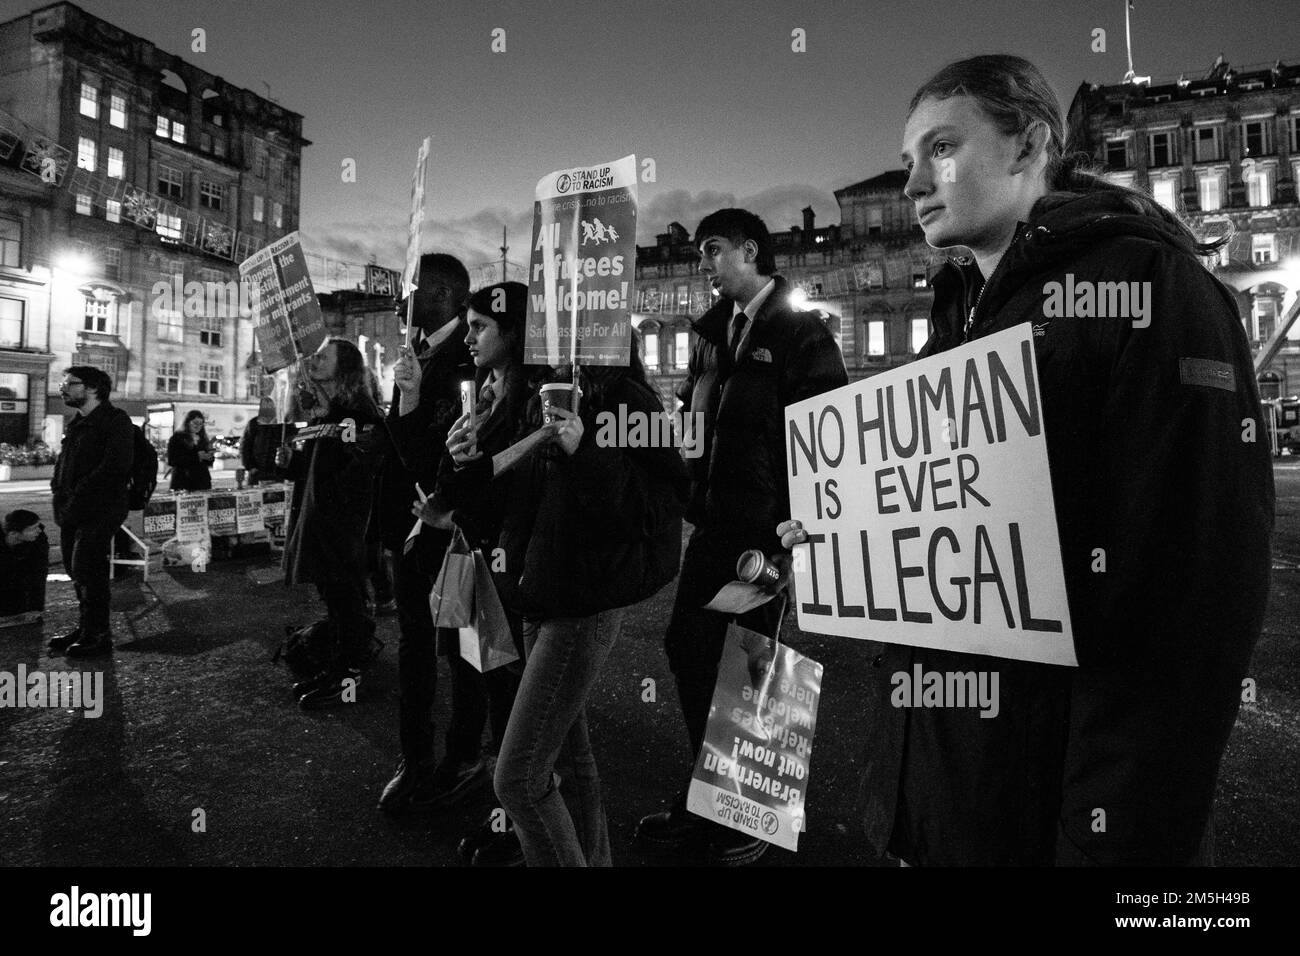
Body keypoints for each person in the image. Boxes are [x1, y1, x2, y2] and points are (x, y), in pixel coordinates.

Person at [781, 53, 1273, 866]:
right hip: (944, 801)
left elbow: (1193, 604)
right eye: (908, 161)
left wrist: (1108, 842)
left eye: (941, 149)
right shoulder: (959, 312)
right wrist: (850, 540)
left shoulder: (1153, 287)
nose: (910, 187)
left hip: (1053, 816)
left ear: (1027, 146)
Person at [635, 208, 848, 866]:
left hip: (764, 532)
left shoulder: (801, 332)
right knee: (689, 648)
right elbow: (694, 423)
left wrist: (800, 527)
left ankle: (749, 813)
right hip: (713, 520)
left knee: (756, 667)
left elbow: (829, 433)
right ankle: (715, 795)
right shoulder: (708, 336)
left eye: (715, 249)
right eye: (700, 251)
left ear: (751, 251)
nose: (704, 263)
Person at [441, 342, 690, 867]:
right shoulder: (541, 397)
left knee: (518, 779)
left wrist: (585, 451)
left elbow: (658, 509)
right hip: (539, 594)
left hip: (584, 603)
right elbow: (513, 508)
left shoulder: (629, 401)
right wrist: (468, 465)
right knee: (571, 767)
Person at [417, 281, 530, 865]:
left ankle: (519, 822)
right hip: (470, 557)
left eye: (481, 326)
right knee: (480, 677)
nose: (470, 336)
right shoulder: (482, 392)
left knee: (514, 697)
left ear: (512, 332)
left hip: (506, 568)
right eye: (468, 325)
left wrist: (458, 497)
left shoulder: (531, 401)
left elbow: (512, 490)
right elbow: (463, 470)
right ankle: (496, 799)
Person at [374, 253, 481, 813]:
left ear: (441, 294)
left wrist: (412, 400)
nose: (399, 297)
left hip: (452, 530)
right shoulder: (416, 350)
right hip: (410, 529)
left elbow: (440, 452)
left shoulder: (472, 352)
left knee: (463, 647)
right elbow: (399, 447)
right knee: (415, 646)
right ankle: (414, 758)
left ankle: (464, 755)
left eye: (409, 288)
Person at [276, 339, 390, 709]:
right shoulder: (323, 416)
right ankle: (337, 667)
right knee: (334, 602)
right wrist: (289, 460)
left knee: (347, 602)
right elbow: (314, 471)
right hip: (318, 526)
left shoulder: (359, 413)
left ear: (345, 369)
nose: (313, 359)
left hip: (344, 531)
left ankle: (348, 678)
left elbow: (365, 470)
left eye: (323, 356)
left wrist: (342, 512)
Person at [47, 366, 135, 657]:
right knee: (76, 569)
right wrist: (59, 491)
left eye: (71, 383)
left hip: (101, 508)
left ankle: (98, 635)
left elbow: (114, 468)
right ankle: (86, 628)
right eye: (63, 383)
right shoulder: (78, 421)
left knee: (89, 568)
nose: (63, 388)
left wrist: (80, 492)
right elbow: (67, 464)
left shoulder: (115, 421)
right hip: (72, 509)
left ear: (94, 388)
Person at [0, 509, 49, 627]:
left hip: (18, 575)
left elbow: (39, 573)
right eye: (33, 528)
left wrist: (35, 608)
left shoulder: (39, 539)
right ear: (13, 534)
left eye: (38, 526)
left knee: (18, 610)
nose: (39, 530)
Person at [240, 397, 296, 486]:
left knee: (277, 496)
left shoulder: (284, 424)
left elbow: (292, 442)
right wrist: (250, 467)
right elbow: (245, 446)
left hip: (277, 469)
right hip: (258, 470)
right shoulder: (254, 423)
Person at [167, 410, 214, 492]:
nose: (198, 426)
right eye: (195, 423)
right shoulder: (177, 438)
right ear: (187, 422)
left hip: (202, 482)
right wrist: (197, 457)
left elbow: (208, 463)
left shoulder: (203, 439)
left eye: (201, 423)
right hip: (184, 481)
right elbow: (172, 460)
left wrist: (209, 457)